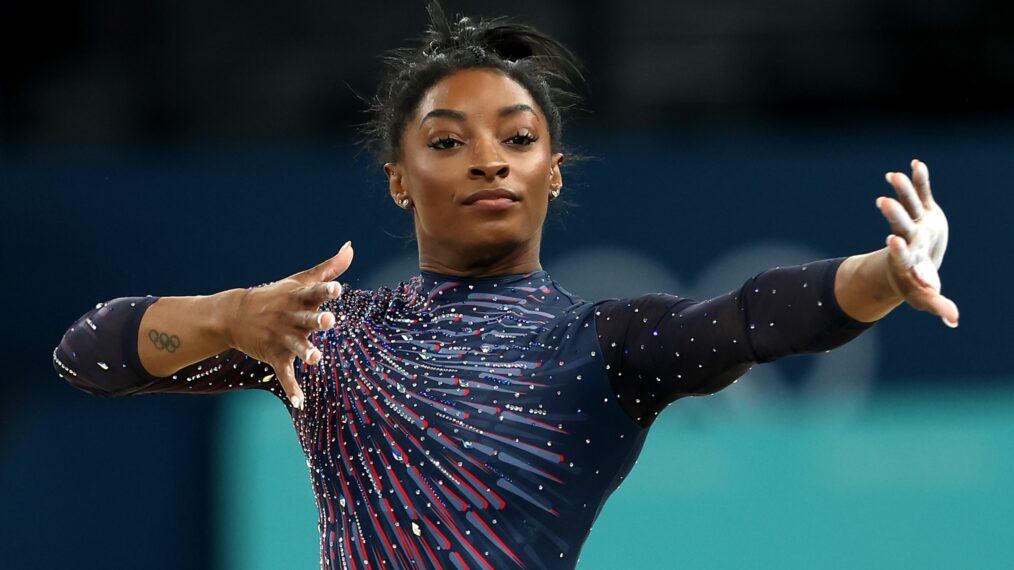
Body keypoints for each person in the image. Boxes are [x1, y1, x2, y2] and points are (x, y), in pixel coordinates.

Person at [51, 2, 958, 568]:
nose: (489, 162)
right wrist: (230, 316)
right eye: (448, 142)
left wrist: (885, 272)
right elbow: (87, 355)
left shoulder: (605, 346)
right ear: (397, 177)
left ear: (553, 172)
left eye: (518, 140)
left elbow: (754, 317)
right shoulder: (322, 333)